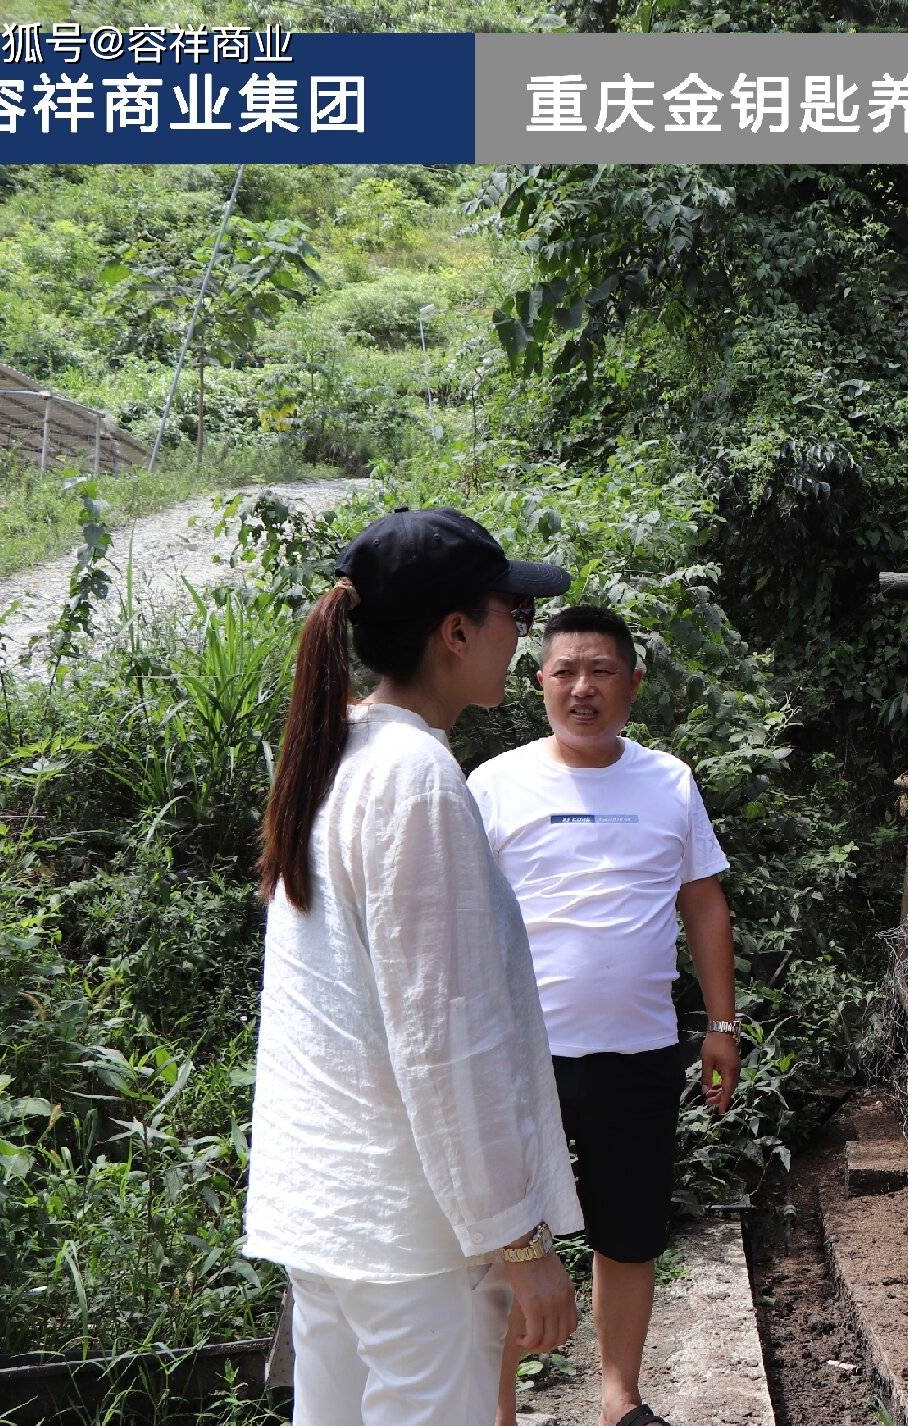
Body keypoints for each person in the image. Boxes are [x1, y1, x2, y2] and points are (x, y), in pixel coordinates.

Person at [244, 508, 583, 1426]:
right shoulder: (417, 780)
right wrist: (520, 1240)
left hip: (331, 1214)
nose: (522, 631)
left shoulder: (337, 751)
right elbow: (445, 1040)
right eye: (509, 608)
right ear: (457, 631)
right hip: (412, 1239)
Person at [468, 604, 741, 1426]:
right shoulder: (494, 782)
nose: (582, 688)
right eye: (564, 672)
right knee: (512, 1240)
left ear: (633, 682)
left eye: (601, 672)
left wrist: (722, 1028)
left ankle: (619, 1399)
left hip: (639, 1051)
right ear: (539, 682)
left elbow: (703, 905)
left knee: (630, 1232)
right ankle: (497, 1409)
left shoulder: (670, 780)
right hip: (522, 1057)